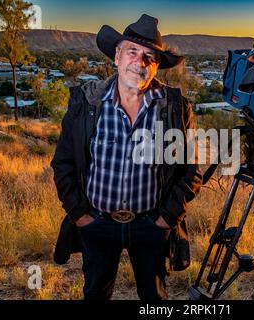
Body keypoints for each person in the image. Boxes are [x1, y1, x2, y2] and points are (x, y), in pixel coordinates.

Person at [50, 14, 202, 300]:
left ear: (157, 67)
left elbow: (191, 171)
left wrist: (166, 219)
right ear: (117, 56)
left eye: (149, 57)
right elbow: (63, 163)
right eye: (132, 51)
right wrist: (80, 215)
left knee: (155, 299)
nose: (140, 62)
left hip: (151, 225)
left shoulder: (175, 108)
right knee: (95, 293)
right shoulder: (86, 103)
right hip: (96, 222)